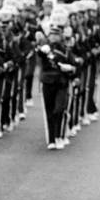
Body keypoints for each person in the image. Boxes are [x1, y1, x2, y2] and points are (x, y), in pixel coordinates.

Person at [37, 11, 78, 150]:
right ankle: (51, 139)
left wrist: (70, 68)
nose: (54, 37)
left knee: (59, 109)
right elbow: (40, 53)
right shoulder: (45, 48)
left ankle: (60, 136)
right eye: (52, 34)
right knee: (49, 111)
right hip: (48, 81)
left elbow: (74, 66)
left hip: (61, 82)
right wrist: (42, 49)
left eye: (56, 34)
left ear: (61, 36)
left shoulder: (66, 50)